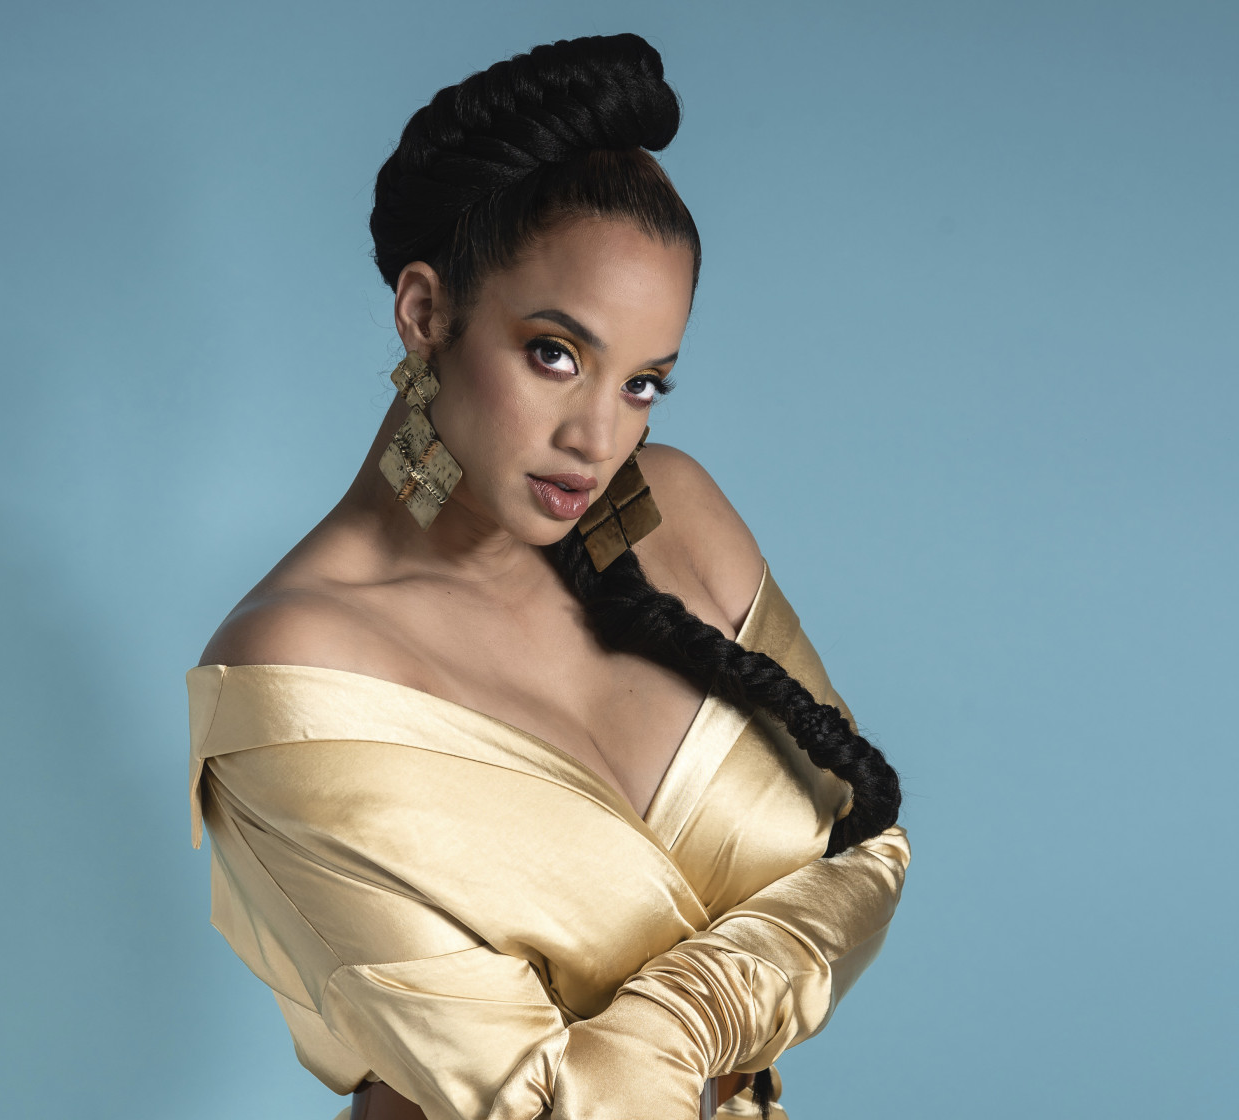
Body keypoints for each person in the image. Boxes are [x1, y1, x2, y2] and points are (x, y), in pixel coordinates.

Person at [188, 33, 909, 1120]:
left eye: (643, 383)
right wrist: (716, 1014)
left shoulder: (673, 518)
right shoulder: (293, 676)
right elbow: (536, 1099)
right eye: (555, 354)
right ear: (425, 314)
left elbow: (867, 842)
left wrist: (676, 1023)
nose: (596, 439)